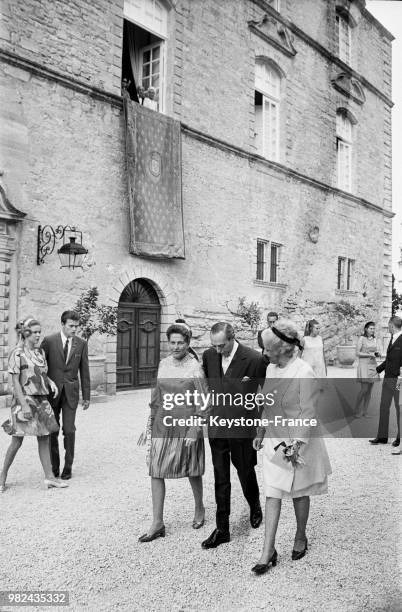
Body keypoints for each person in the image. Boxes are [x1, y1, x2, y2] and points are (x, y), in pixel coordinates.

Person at [251, 320, 331, 575]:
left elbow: (308, 412)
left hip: (298, 440)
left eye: (267, 349)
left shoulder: (303, 371)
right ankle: (267, 551)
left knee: (299, 492)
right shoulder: (271, 369)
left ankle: (300, 535)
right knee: (272, 492)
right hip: (275, 439)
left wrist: (296, 446)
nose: (263, 353)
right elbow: (268, 403)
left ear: (284, 348)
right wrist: (260, 431)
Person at [138, 324, 208, 542]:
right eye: (173, 342)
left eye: (180, 343)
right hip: (163, 424)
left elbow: (204, 401)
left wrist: (195, 429)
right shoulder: (163, 364)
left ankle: (199, 508)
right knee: (155, 470)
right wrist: (148, 423)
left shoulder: (195, 367)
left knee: (192, 469)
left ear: (188, 344)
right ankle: (157, 522)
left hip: (186, 425)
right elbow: (156, 397)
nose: (176, 347)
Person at [201, 322, 267, 549]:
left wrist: (260, 428)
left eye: (221, 346)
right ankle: (222, 529)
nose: (217, 351)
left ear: (232, 338)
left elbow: (264, 396)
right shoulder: (208, 356)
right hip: (217, 427)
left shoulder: (255, 359)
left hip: (242, 428)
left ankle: (255, 505)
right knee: (221, 477)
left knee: (245, 471)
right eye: (214, 346)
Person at [0, 318, 68, 491]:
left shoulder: (40, 353)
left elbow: (42, 374)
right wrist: (23, 405)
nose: (39, 335)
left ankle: (50, 477)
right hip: (24, 400)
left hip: (42, 400)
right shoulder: (17, 353)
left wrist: (50, 382)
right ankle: (2, 476)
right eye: (35, 332)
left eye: (40, 331)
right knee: (17, 441)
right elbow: (15, 382)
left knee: (45, 438)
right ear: (26, 333)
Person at [41, 310, 90, 480]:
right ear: (62, 324)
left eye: (76, 326)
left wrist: (87, 396)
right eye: (71, 326)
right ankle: (54, 467)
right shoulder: (48, 341)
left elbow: (84, 371)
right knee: (52, 431)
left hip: (71, 393)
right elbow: (40, 368)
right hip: (51, 394)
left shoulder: (81, 343)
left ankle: (68, 466)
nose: (74, 329)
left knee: (69, 430)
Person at [369, 316, 402, 448]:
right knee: (384, 407)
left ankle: (399, 438)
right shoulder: (392, 339)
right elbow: (389, 359)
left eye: (388, 326)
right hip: (387, 379)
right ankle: (382, 437)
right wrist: (378, 369)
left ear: (392, 326)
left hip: (398, 381)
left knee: (399, 409)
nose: (388, 328)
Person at [354, 322, 381, 418]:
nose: (372, 330)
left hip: (373, 365)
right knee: (364, 389)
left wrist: (378, 353)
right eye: (371, 328)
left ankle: (364, 411)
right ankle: (356, 410)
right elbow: (357, 353)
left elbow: (375, 351)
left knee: (369, 391)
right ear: (366, 329)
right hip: (364, 365)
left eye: (373, 328)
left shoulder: (374, 339)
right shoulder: (362, 338)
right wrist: (369, 354)